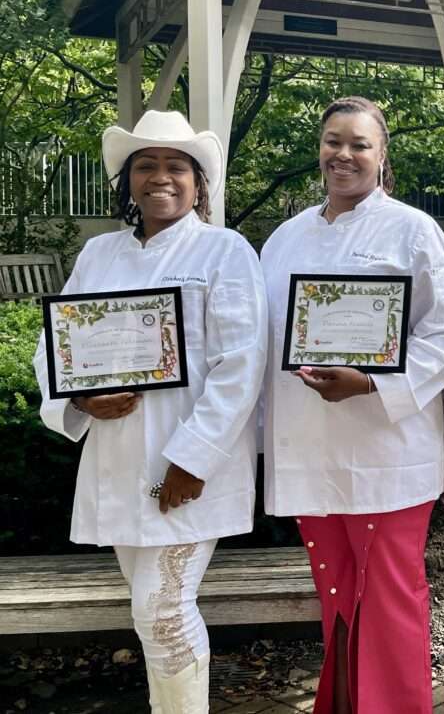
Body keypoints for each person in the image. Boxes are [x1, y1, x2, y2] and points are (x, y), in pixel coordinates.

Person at [33, 110, 268, 713]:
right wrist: (77, 398)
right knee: (151, 613)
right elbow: (56, 348)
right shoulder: (99, 253)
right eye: (145, 165)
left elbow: (242, 363)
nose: (159, 177)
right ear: (127, 180)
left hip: (184, 467)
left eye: (175, 166)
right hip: (115, 459)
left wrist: (194, 459)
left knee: (161, 609)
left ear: (198, 183)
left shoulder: (224, 251)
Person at [260, 96, 444, 714]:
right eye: (333, 142)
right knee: (335, 595)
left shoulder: (413, 229)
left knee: (390, 599)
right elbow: (262, 339)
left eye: (359, 144)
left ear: (382, 156)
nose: (343, 155)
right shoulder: (285, 238)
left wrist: (374, 384)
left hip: (389, 452)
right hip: (309, 450)